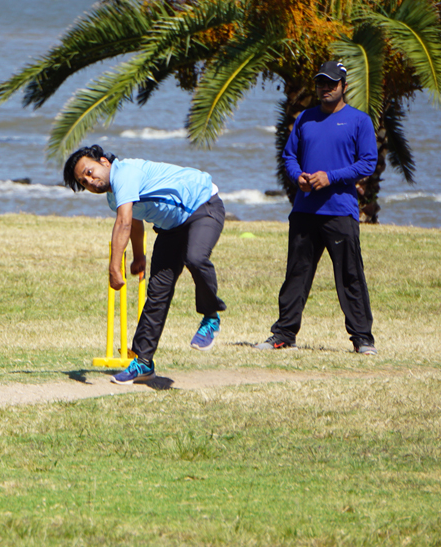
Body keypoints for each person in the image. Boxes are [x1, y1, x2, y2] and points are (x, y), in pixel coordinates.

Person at [64, 146, 227, 384]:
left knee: (195, 257)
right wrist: (139, 256)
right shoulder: (114, 197)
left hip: (203, 205)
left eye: (89, 171)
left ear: (104, 162)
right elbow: (136, 220)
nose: (90, 180)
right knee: (157, 292)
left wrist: (114, 268)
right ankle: (143, 362)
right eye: (84, 181)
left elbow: (124, 222)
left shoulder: (125, 173)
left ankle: (211, 317)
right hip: (171, 228)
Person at [255, 60, 378, 354]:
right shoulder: (305, 118)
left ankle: (363, 339)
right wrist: (298, 176)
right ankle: (284, 333)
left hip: (340, 211)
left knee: (350, 275)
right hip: (304, 211)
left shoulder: (359, 121)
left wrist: (330, 177)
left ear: (344, 87)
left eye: (331, 83)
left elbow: (368, 162)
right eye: (321, 83)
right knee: (296, 274)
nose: (325, 88)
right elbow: (289, 156)